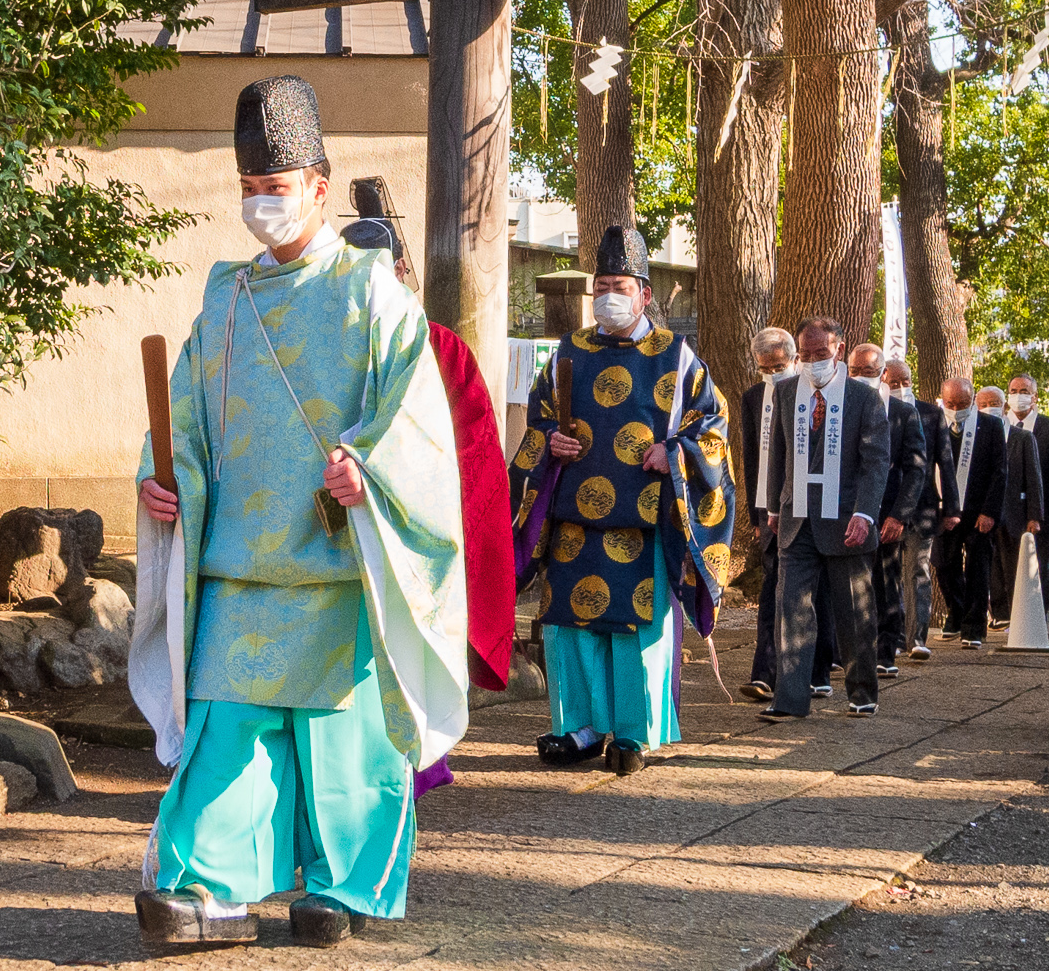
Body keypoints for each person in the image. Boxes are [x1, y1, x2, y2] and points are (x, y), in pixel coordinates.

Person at [129, 76, 466, 948]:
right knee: (223, 738)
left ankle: (345, 888)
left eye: (273, 187)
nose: (258, 203)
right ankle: (199, 889)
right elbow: (188, 417)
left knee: (344, 746)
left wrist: (374, 474)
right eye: (247, 188)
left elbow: (416, 417)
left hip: (338, 565)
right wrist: (161, 479)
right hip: (238, 563)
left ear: (318, 185)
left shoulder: (373, 294)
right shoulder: (225, 298)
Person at [508, 225, 735, 776]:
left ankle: (635, 733)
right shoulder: (569, 352)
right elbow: (539, 419)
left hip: (644, 519)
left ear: (644, 293)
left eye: (621, 285)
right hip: (572, 521)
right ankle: (577, 727)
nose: (608, 294)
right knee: (569, 628)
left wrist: (674, 451)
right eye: (601, 284)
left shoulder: (678, 358)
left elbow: (714, 428)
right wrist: (550, 442)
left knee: (637, 630)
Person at [342, 194, 516, 794]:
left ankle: (413, 757)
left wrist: (409, 494)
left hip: (415, 524)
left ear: (399, 273)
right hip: (329, 525)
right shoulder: (320, 345)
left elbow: (470, 449)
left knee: (403, 638)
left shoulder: (442, 348)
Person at [761, 317, 892, 720]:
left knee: (854, 613)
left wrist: (866, 513)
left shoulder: (864, 398)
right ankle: (790, 699)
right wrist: (771, 508)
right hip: (796, 517)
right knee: (792, 609)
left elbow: (876, 462)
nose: (813, 361)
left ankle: (861, 691)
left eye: (821, 354)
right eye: (806, 355)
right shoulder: (786, 393)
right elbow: (777, 455)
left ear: (839, 348)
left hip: (846, 520)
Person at [739, 326, 834, 704]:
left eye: (778, 365)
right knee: (771, 585)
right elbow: (751, 456)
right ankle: (765, 672)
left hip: (807, 503)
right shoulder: (752, 398)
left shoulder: (811, 394)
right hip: (769, 506)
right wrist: (756, 509)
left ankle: (817, 668)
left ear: (794, 359)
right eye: (765, 368)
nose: (772, 373)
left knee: (813, 588)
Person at [847, 343, 925, 679]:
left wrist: (899, 514)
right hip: (843, 513)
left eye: (869, 372)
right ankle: (842, 650)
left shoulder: (903, 414)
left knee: (885, 582)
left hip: (887, 514)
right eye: (856, 372)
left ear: (884, 375)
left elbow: (916, 469)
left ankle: (885, 650)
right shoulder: (836, 409)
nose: (862, 378)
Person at [884, 358, 954, 661]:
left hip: (924, 506)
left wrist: (951, 506)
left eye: (905, 381)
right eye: (893, 382)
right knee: (888, 574)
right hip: (887, 507)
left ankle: (917, 638)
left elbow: (945, 463)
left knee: (919, 570)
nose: (900, 387)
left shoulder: (931, 413)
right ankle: (894, 636)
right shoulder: (877, 409)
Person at [933, 377, 1004, 648]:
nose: (955, 407)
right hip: (945, 509)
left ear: (972, 400)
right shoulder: (934, 421)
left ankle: (974, 627)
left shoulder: (990, 425)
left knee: (978, 568)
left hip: (978, 512)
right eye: (950, 403)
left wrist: (989, 512)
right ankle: (957, 611)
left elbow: (999, 472)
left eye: (961, 403)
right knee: (943, 564)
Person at [994, 376, 1049, 638]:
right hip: (1003, 509)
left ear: (1035, 396)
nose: (1018, 395)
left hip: (1039, 510)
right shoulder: (997, 425)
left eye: (1024, 391)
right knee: (1002, 566)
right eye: (1013, 391)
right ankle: (1004, 616)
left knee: (1038, 565)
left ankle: (1037, 617)